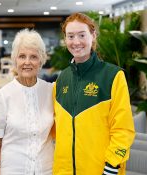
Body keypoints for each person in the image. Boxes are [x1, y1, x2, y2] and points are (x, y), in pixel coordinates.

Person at [53, 13, 135, 175]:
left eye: (82, 35)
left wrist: (111, 167)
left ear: (93, 36)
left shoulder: (113, 76)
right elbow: (56, 128)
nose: (76, 42)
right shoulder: (62, 78)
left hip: (101, 170)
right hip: (64, 170)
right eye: (70, 36)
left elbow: (123, 129)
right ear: (65, 40)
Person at [0, 29, 54, 175]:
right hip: (13, 170)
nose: (27, 62)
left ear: (41, 60)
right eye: (22, 56)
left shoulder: (51, 91)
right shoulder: (2, 96)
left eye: (34, 57)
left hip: (47, 170)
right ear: (15, 60)